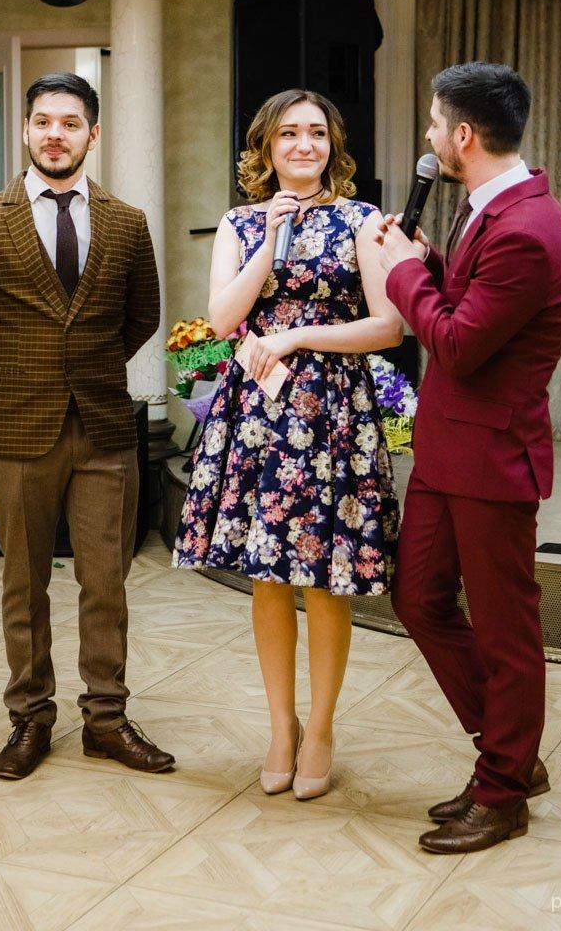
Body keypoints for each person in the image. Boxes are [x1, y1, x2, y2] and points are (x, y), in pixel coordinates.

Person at [0, 72, 175, 780]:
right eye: (43, 121)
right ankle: (30, 717)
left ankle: (106, 720)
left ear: (92, 135)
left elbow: (143, 316)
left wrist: (86, 369)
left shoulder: (127, 222)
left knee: (106, 582)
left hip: (104, 427)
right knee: (24, 583)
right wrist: (14, 377)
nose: (54, 134)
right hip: (17, 430)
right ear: (26, 129)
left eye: (70, 123)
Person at [173, 88, 402, 800]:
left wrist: (298, 335)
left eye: (317, 134)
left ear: (334, 146)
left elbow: (389, 327)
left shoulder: (363, 220)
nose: (305, 146)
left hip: (333, 412)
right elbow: (222, 320)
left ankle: (322, 728)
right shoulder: (240, 223)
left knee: (326, 576)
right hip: (258, 415)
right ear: (266, 149)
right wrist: (269, 241)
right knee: (268, 574)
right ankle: (282, 727)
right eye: (289, 134)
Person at [378, 61, 561, 853]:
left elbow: (459, 344)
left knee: (505, 633)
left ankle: (503, 792)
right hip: (446, 450)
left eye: (435, 125)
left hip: (492, 459)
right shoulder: (487, 206)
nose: (429, 137)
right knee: (418, 598)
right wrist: (430, 264)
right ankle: (510, 753)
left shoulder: (527, 229)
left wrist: (401, 274)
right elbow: (468, 302)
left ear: (462, 135)